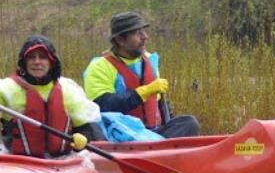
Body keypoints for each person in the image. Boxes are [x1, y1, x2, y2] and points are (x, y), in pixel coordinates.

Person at [0, 34, 104, 157]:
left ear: (51, 62)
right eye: (32, 57)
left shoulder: (67, 90)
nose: (37, 62)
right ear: (24, 62)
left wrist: (83, 138)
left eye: (42, 57)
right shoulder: (8, 88)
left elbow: (87, 128)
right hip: (21, 163)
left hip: (62, 161)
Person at [83, 11, 199, 139]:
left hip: (152, 133)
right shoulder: (99, 67)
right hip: (121, 137)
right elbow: (103, 105)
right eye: (137, 33)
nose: (145, 37)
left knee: (189, 123)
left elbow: (157, 103)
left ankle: (160, 144)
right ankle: (157, 145)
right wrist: (142, 93)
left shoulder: (149, 60)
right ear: (120, 40)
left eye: (144, 31)